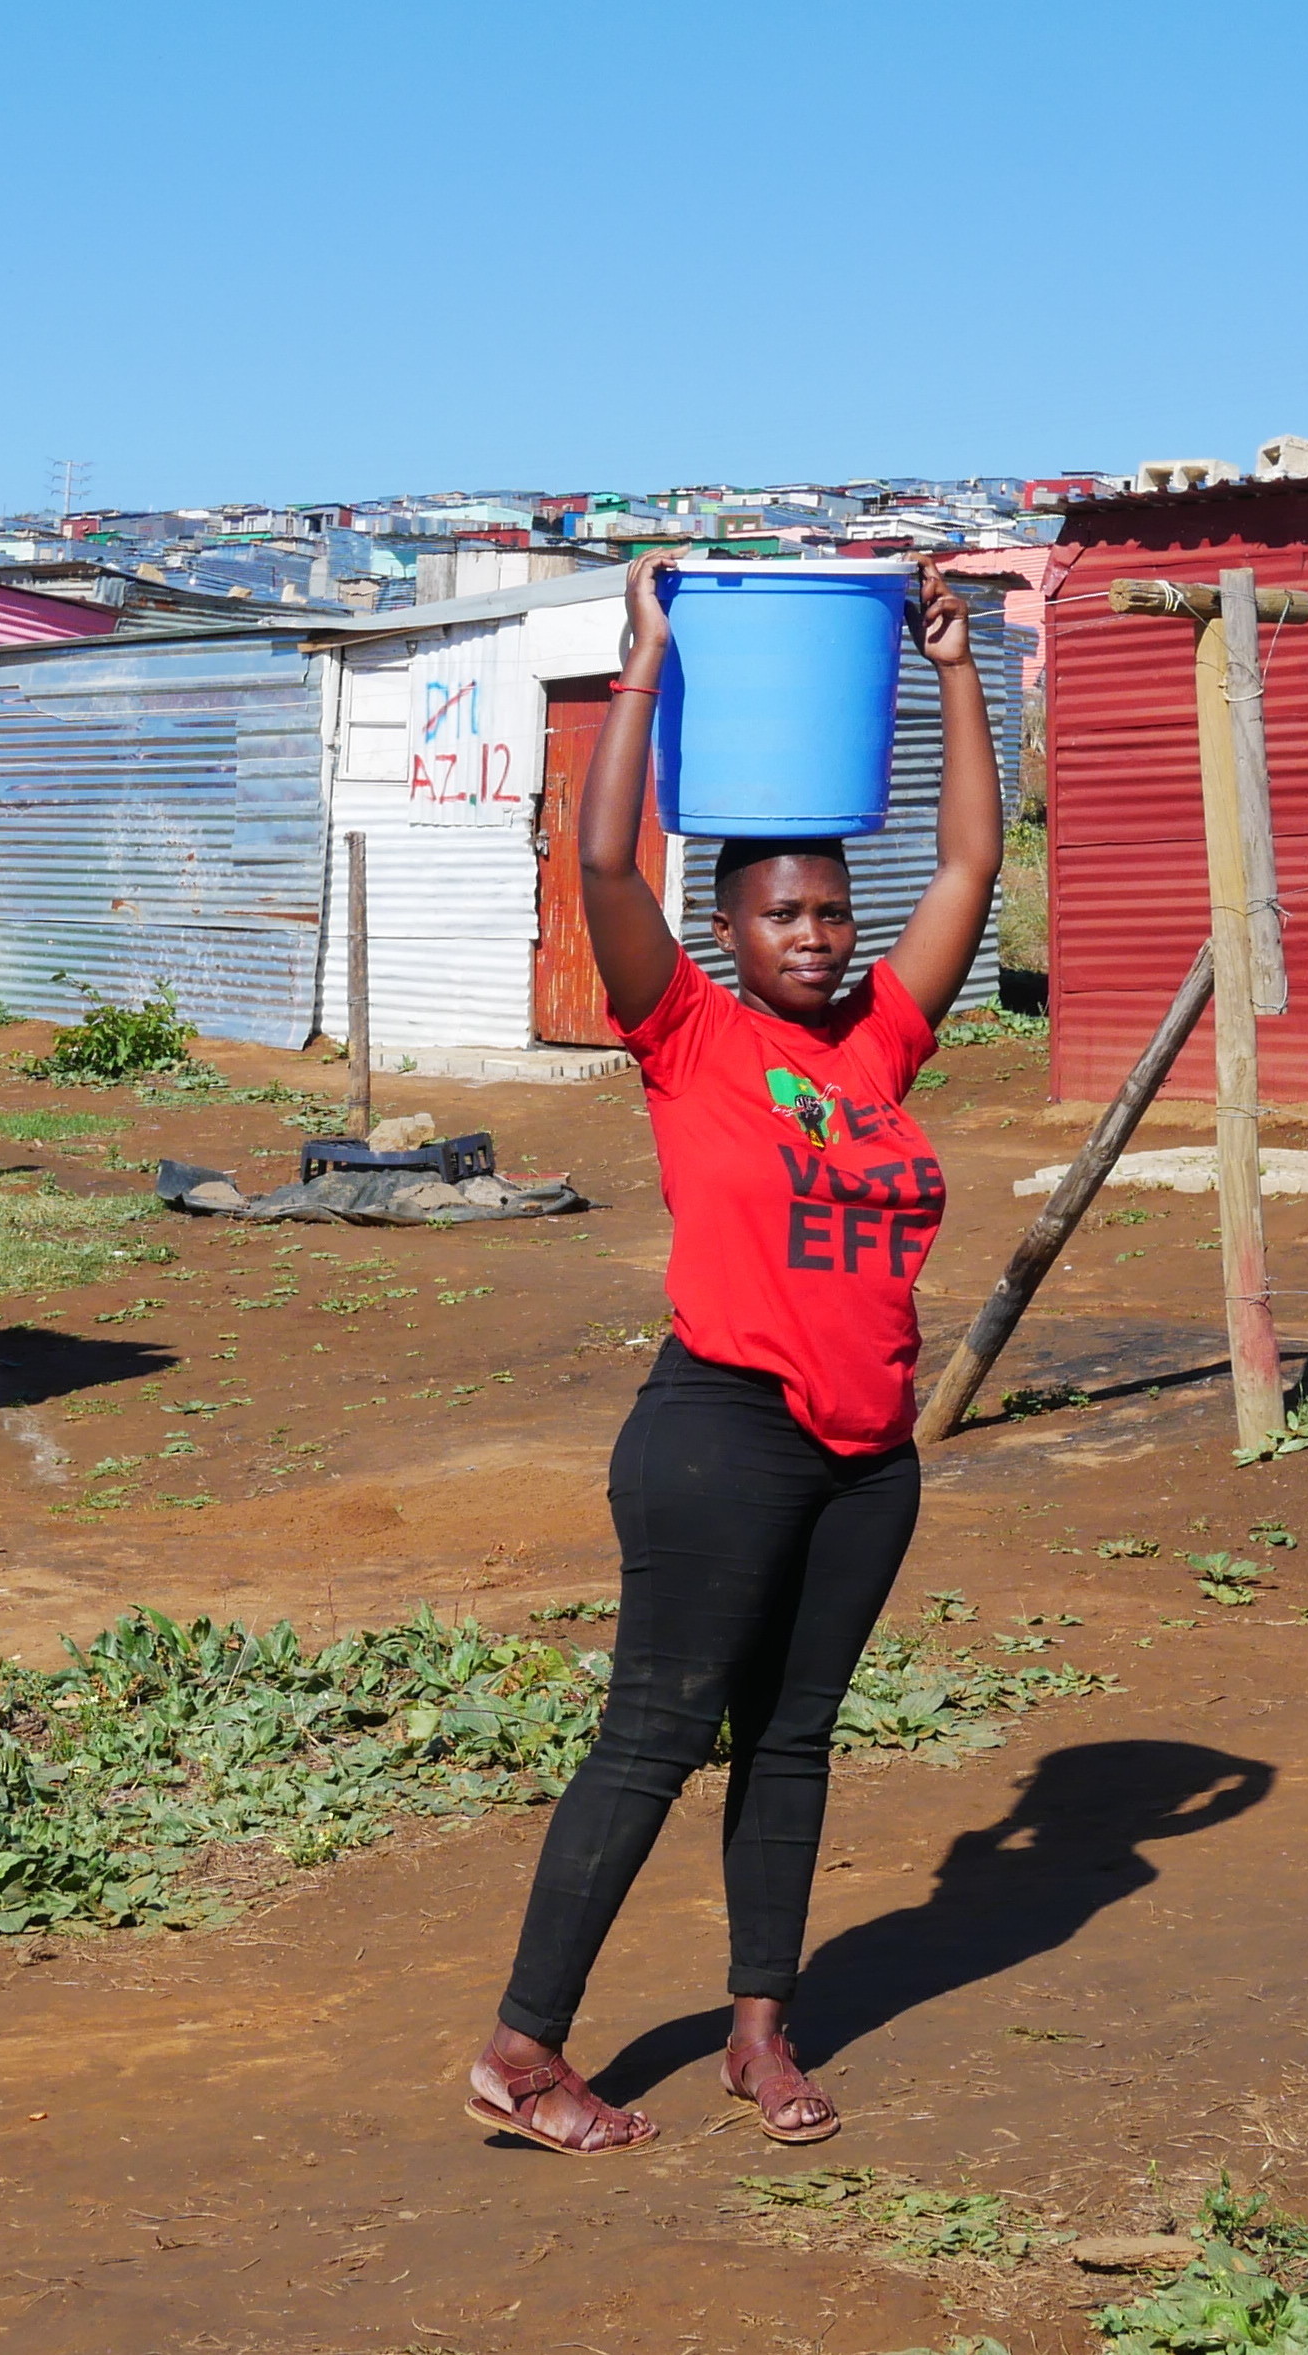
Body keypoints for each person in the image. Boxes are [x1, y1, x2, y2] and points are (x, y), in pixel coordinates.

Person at [462, 558, 1002, 2154]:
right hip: (723, 1433)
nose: (820, 936)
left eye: (835, 910)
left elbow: (971, 858)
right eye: (785, 913)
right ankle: (520, 2047)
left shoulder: (879, 1043)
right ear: (727, 928)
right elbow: (603, 862)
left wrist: (954, 667)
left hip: (865, 1453)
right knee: (652, 1735)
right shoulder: (688, 1032)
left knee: (792, 1737)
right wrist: (643, 663)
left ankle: (760, 2030)